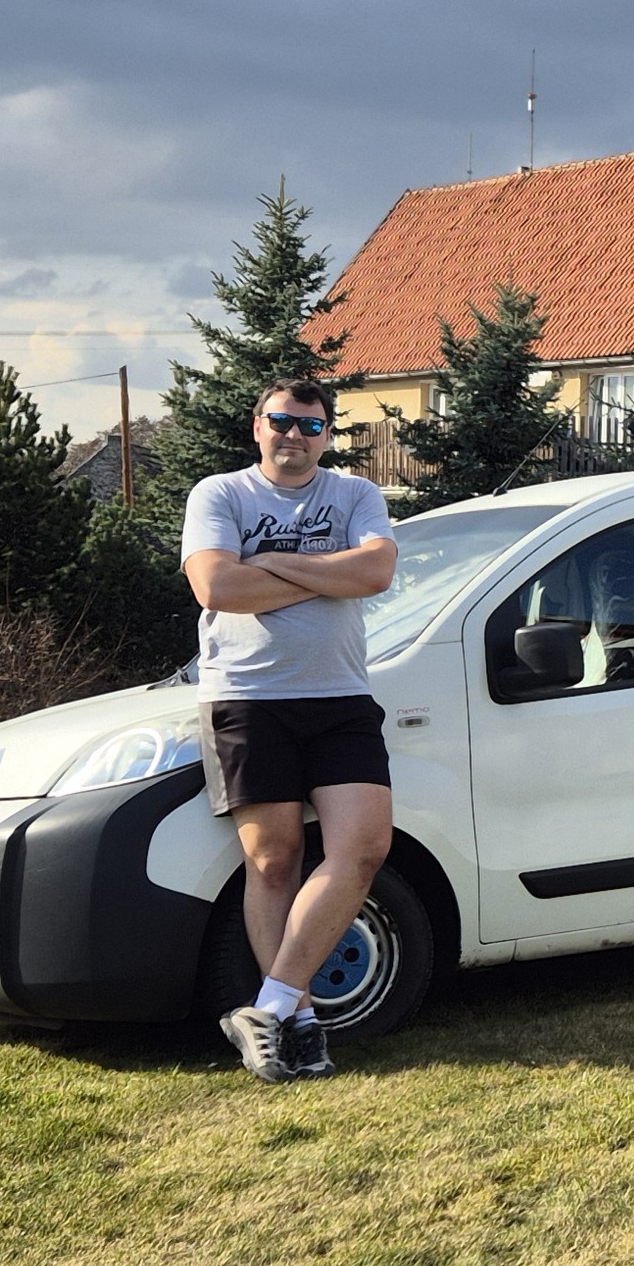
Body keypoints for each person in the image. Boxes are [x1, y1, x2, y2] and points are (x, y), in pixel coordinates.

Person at [180, 379, 400, 1083]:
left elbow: (379, 569)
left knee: (362, 849)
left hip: (340, 695)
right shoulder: (221, 496)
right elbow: (218, 588)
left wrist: (268, 564)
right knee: (273, 863)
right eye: (281, 422)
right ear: (257, 427)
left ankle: (267, 1006)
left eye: (309, 426)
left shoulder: (356, 495)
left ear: (327, 435)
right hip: (249, 699)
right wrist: (328, 575)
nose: (293, 436)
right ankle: (298, 1026)